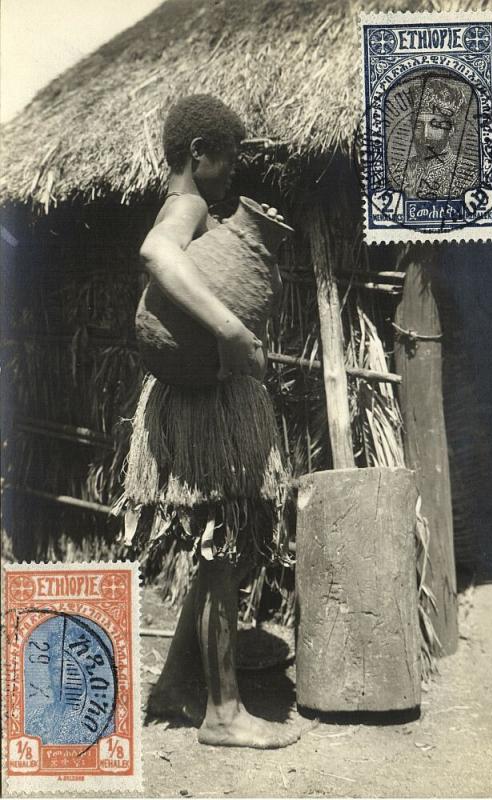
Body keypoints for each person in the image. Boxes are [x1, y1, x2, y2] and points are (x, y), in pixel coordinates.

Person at [122, 95, 300, 749]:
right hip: (203, 408)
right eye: (226, 161)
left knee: (210, 545)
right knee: (220, 549)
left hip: (193, 398)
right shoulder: (188, 206)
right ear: (200, 155)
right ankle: (223, 713)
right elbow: (155, 254)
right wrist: (229, 328)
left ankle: (174, 684)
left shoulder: (191, 204)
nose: (231, 176)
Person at [398, 77, 479, 199]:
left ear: (451, 129)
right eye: (419, 125)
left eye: (434, 125)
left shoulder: (470, 175)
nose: (425, 135)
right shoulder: (397, 172)